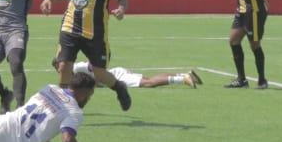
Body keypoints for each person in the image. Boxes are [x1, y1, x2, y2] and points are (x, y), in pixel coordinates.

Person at [40, 0, 133, 111]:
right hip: (70, 26)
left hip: (95, 30)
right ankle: (63, 107)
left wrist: (121, 10)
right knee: (63, 65)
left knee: (99, 73)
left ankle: (119, 87)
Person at [73, 60, 202, 89]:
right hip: (116, 72)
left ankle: (183, 79)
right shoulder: (72, 73)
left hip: (116, 77)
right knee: (149, 79)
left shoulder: (76, 67)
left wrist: (96, 81)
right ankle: (185, 74)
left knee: (148, 83)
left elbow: (94, 64)